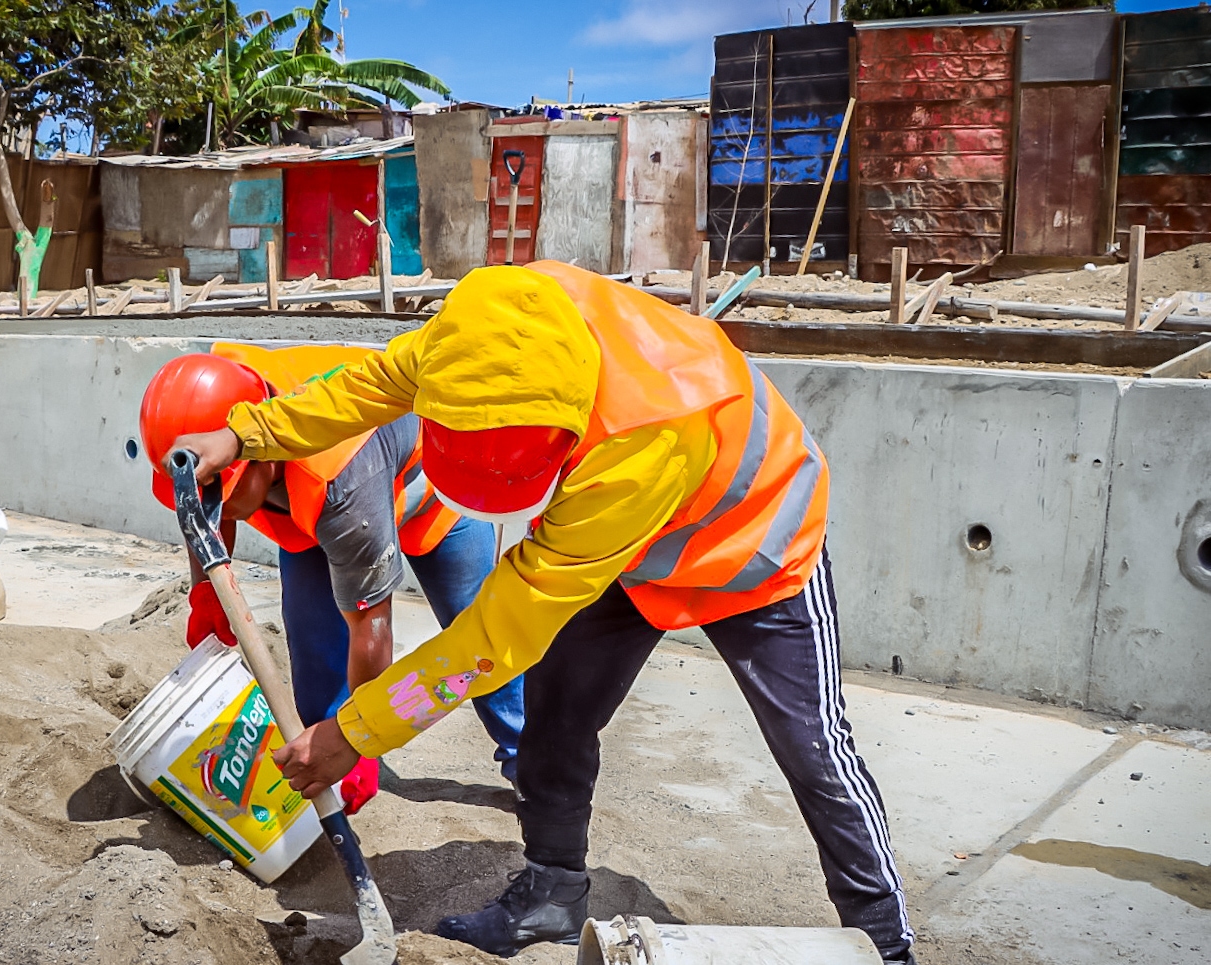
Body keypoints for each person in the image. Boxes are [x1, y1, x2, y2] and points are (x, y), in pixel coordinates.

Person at [170, 264, 916, 963]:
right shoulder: (479, 335)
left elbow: (498, 632)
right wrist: (243, 433)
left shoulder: (642, 437)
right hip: (625, 551)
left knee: (812, 751)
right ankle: (553, 893)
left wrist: (353, 731)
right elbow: (365, 387)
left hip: (753, 545)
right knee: (554, 721)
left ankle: (884, 938)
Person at [141, 344, 526, 814]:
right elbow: (201, 506)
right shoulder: (221, 398)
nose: (212, 508)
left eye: (223, 495)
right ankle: (321, 781)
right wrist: (205, 593)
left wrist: (362, 740)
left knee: (484, 646)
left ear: (261, 460)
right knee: (315, 662)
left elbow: (372, 626)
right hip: (309, 511)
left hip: (431, 495)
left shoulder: (341, 482)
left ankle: (530, 762)